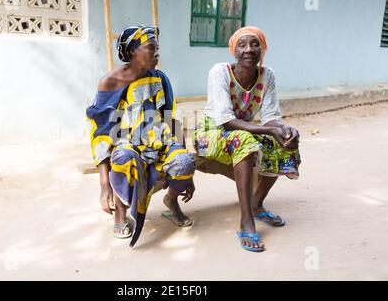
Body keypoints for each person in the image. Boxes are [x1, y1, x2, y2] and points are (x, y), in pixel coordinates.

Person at [86, 26, 195, 247]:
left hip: (159, 142)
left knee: (185, 162)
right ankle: (121, 214)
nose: (157, 54)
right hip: (126, 144)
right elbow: (102, 134)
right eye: (151, 48)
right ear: (133, 51)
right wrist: (103, 183)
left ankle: (171, 201)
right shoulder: (111, 82)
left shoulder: (160, 79)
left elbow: (171, 119)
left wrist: (189, 174)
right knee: (124, 157)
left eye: (158, 49)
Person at [194, 26, 301, 252]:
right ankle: (246, 221)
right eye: (242, 45)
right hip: (209, 134)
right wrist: (269, 131)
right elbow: (224, 120)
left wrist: (284, 129)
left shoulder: (267, 75)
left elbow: (272, 117)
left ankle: (256, 204)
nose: (249, 50)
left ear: (262, 50)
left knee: (284, 142)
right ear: (234, 51)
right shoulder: (219, 72)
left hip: (244, 132)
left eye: (255, 44)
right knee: (243, 140)